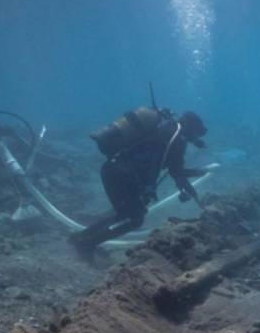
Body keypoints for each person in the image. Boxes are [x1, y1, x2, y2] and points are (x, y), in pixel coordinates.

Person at [70, 109, 208, 255]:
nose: (195, 138)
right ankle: (86, 244)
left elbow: (168, 166)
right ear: (190, 128)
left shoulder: (165, 128)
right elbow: (177, 173)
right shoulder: (176, 139)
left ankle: (81, 238)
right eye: (195, 133)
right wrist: (199, 177)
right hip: (122, 175)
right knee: (134, 218)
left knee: (125, 214)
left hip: (114, 170)